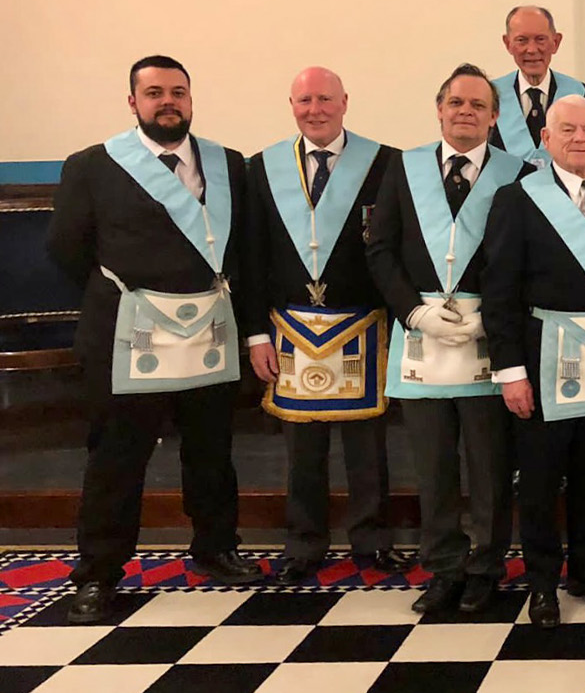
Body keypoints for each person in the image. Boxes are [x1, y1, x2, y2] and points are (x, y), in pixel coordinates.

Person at [48, 55, 261, 623]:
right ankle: (97, 572)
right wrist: (130, 300)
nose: (168, 102)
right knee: (118, 457)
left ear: (191, 98)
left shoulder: (228, 164)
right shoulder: (92, 166)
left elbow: (241, 247)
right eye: (155, 93)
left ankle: (217, 547)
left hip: (209, 324)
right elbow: (67, 249)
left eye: (179, 92)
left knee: (212, 449)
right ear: (133, 102)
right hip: (128, 331)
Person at [366, 63, 530, 615]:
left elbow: (526, 254)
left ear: (495, 115)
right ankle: (443, 567)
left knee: (488, 466)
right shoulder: (402, 168)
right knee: (433, 465)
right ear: (439, 109)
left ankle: (485, 567)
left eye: (478, 105)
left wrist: (499, 314)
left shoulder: (519, 171)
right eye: (456, 103)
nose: (466, 112)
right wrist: (413, 312)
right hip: (422, 334)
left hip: (491, 337)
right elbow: (381, 249)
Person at [243, 66, 411, 583]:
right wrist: (254, 333)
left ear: (345, 102)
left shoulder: (388, 164)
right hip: (289, 327)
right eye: (304, 100)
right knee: (302, 450)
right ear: (290, 105)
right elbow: (249, 257)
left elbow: (397, 249)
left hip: (363, 323)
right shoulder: (261, 169)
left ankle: (372, 539)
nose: (315, 109)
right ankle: (304, 541)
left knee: (368, 448)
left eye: (325, 99)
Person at [484, 96, 585, 627]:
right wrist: (510, 372)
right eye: (567, 129)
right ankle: (544, 582)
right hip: (542, 357)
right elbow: (499, 290)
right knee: (539, 479)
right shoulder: (518, 198)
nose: (580, 138)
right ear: (546, 140)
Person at [489, 5, 585, 172]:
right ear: (508, 43)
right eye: (522, 40)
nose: (532, 49)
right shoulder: (490, 98)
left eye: (540, 39)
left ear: (555, 42)